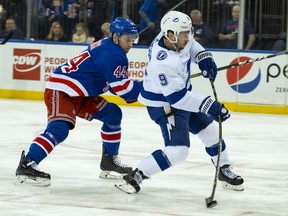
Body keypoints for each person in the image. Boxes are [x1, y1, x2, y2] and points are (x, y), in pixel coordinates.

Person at [115, 11, 244, 194]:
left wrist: (203, 57)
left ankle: (223, 169)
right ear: (170, 35)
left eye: (188, 31)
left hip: (182, 96)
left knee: (213, 132)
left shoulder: (175, 35)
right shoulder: (164, 61)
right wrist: (209, 105)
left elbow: (191, 45)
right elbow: (177, 99)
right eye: (184, 34)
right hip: (164, 106)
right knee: (178, 152)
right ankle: (137, 175)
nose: (188, 36)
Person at [15, 17, 143, 186]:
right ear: (115, 36)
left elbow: (114, 85)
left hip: (81, 93)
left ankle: (109, 161)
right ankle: (28, 163)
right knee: (59, 129)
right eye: (128, 40)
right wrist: (150, 87)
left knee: (113, 114)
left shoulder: (110, 46)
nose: (130, 44)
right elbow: (124, 91)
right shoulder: (113, 55)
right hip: (62, 90)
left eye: (133, 40)